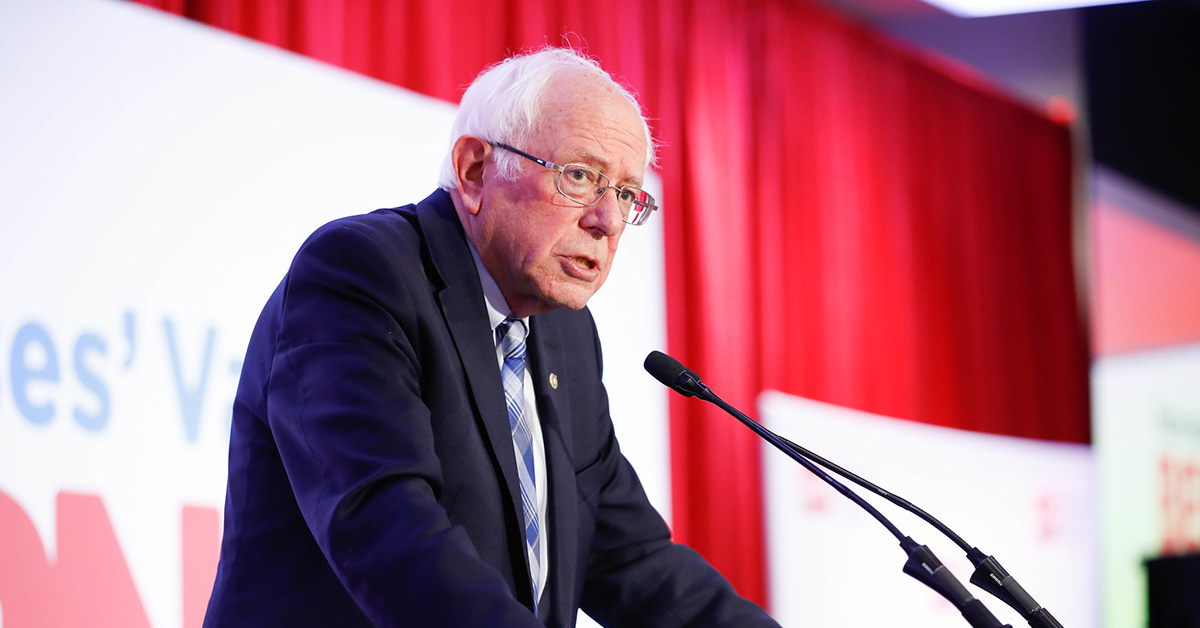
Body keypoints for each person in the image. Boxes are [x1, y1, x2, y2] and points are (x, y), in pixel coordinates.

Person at [203, 47, 779, 628]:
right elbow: (386, 526)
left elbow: (632, 559)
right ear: (475, 169)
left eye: (626, 194)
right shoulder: (362, 274)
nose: (606, 220)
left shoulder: (566, 334)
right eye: (580, 176)